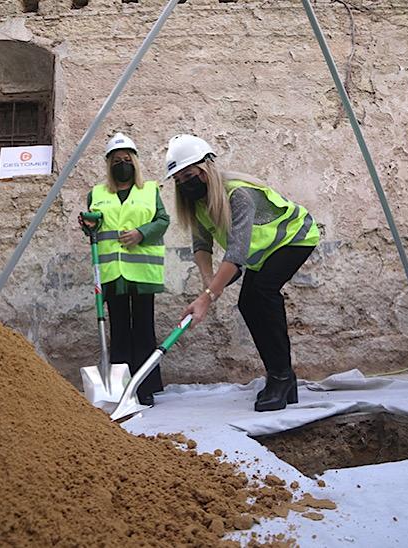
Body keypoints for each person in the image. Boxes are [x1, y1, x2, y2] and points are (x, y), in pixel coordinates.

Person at [167, 134, 319, 412]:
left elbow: (235, 254)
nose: (183, 184)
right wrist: (208, 286)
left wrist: (208, 298)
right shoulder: (198, 204)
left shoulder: (239, 194)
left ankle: (281, 378)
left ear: (205, 170)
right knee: (248, 303)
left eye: (187, 175)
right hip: (264, 254)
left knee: (262, 294)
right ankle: (283, 378)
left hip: (296, 238)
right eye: (177, 179)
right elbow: (201, 245)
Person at [79, 133, 168, 406]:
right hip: (111, 274)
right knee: (118, 330)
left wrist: (142, 233)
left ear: (135, 162)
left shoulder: (150, 190)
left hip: (142, 274)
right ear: (109, 164)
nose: (122, 164)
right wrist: (87, 225)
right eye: (116, 160)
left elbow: (163, 220)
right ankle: (120, 388)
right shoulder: (96, 194)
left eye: (127, 159)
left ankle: (145, 387)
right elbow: (93, 229)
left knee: (143, 329)